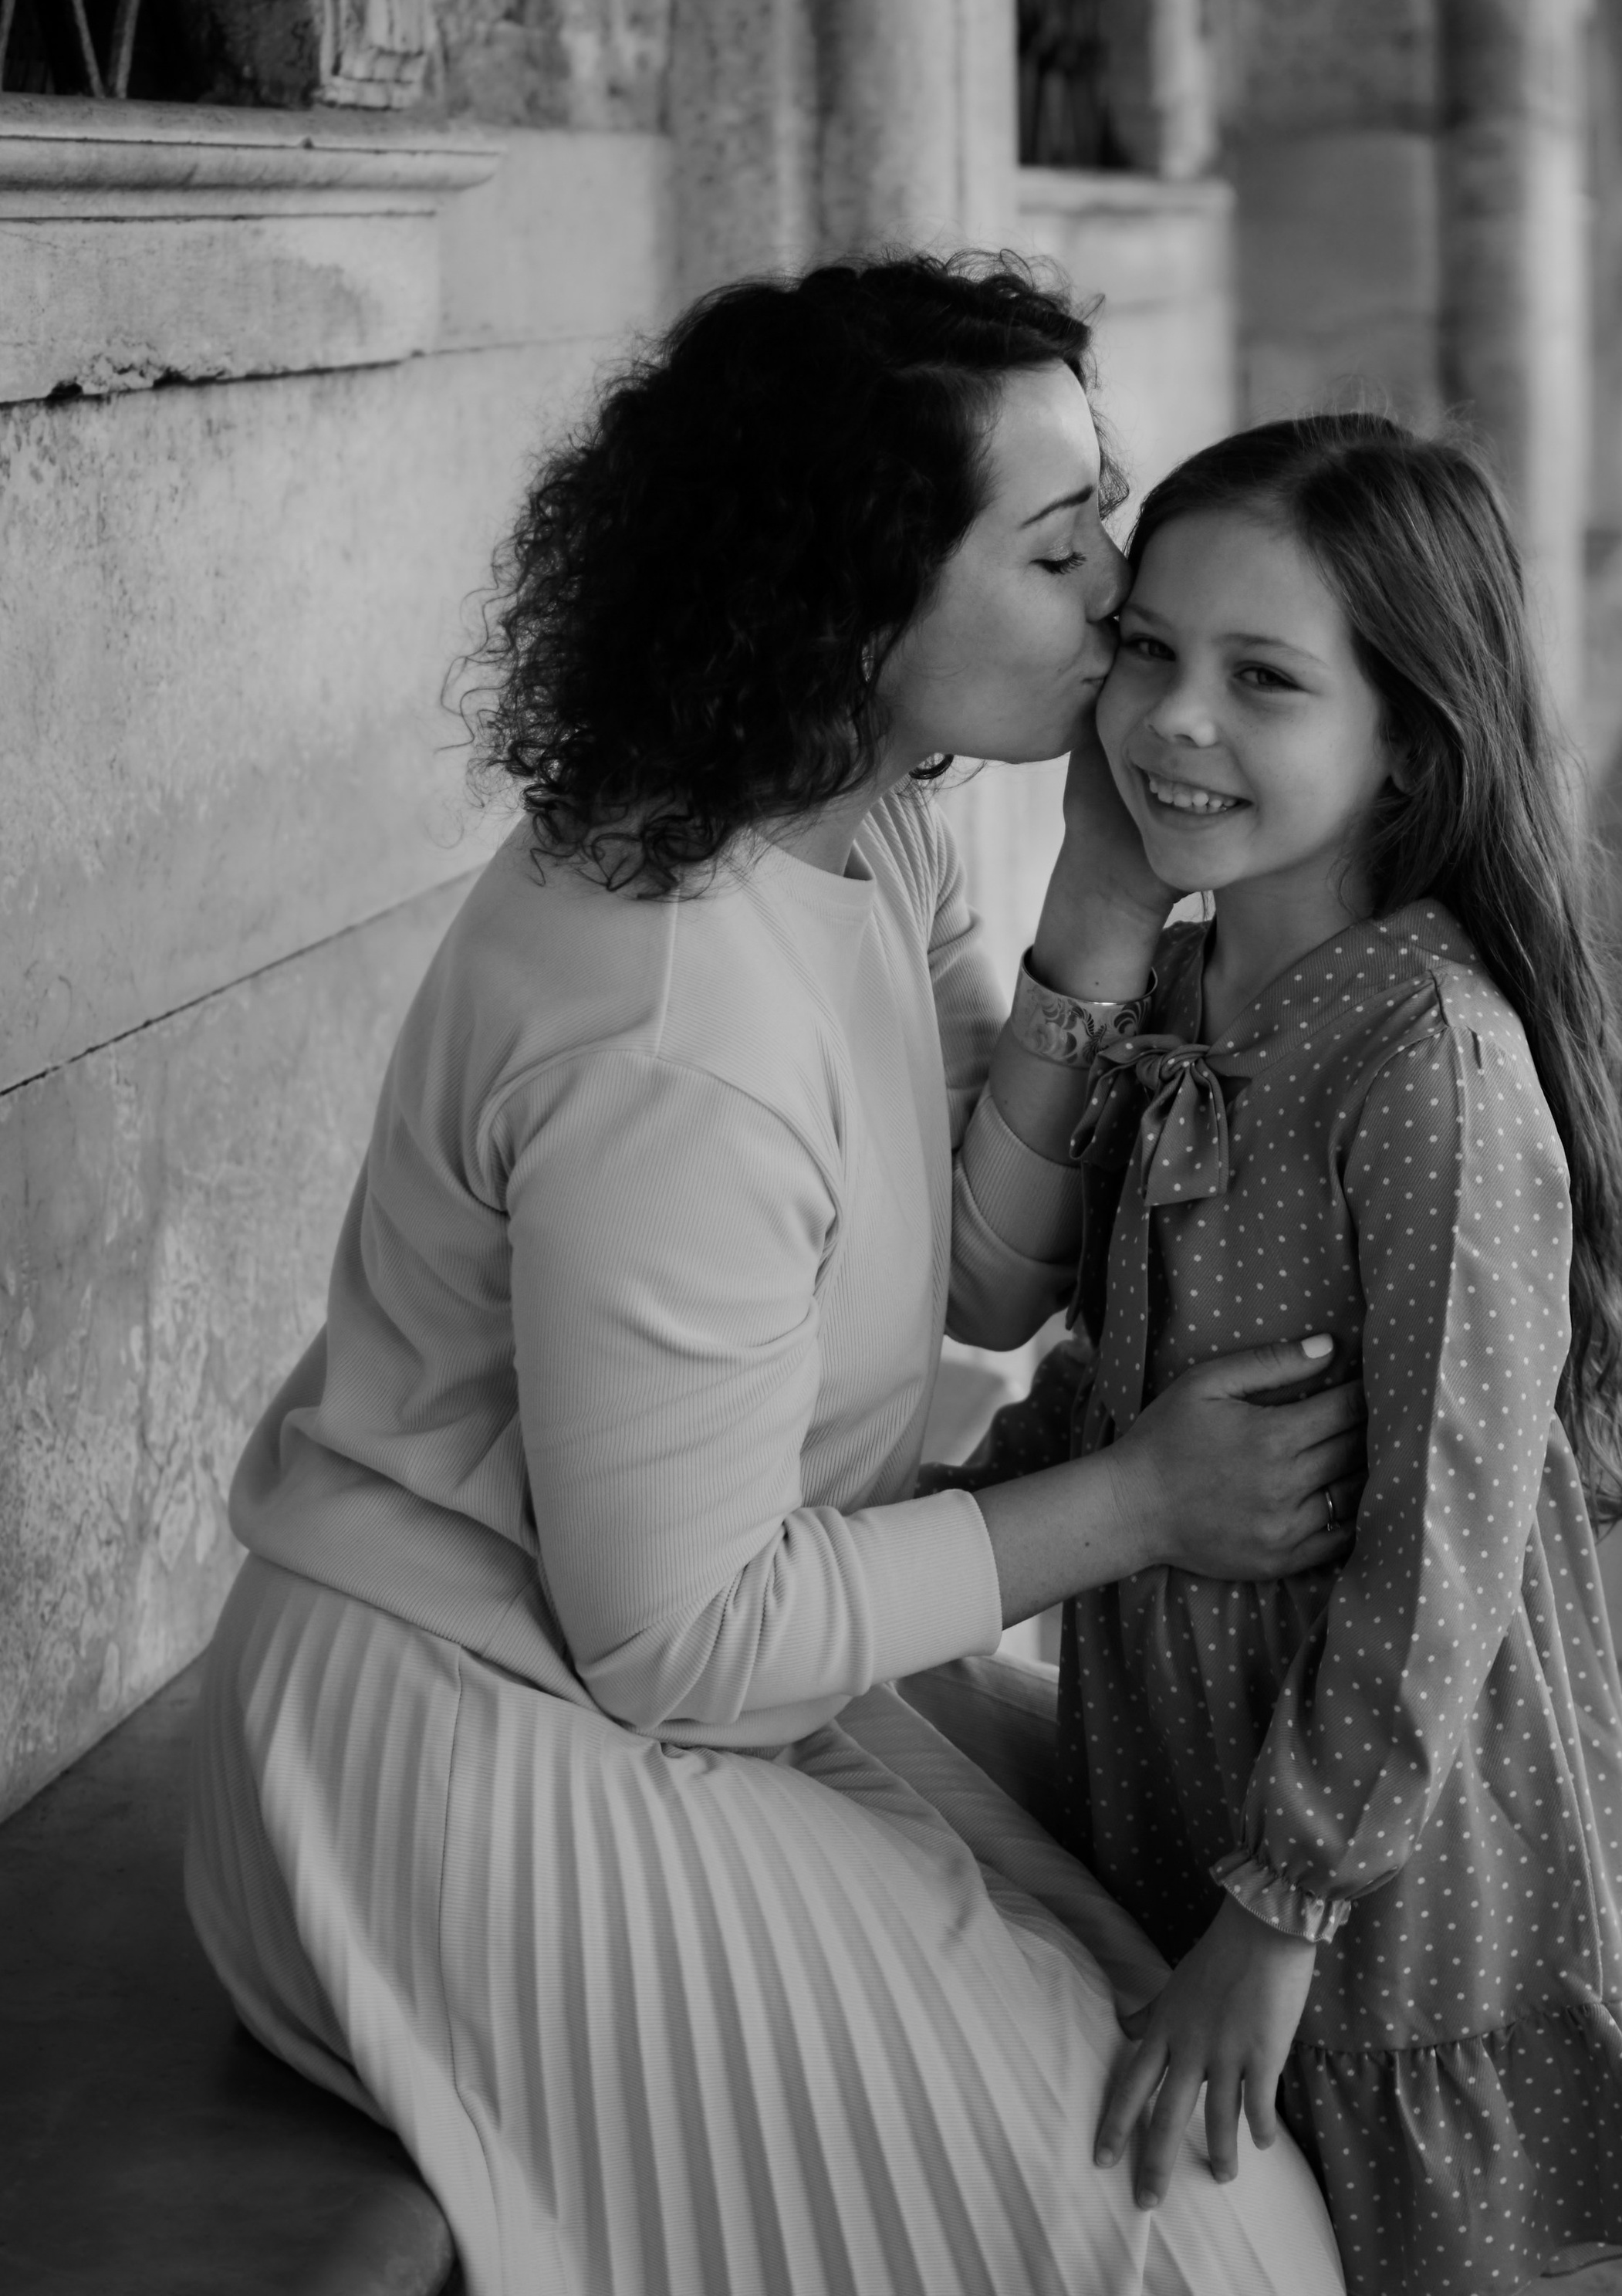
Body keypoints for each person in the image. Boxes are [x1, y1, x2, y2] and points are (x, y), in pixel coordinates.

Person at [184, 255, 1362, 2296]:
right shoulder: (674, 1026)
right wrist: (1136, 1505)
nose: (1120, 595)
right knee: (1181, 2227)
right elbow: (687, 1638)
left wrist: (1096, 911)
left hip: (636, 1658)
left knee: (1181, 2021)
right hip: (455, 1735)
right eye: (1061, 544)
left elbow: (980, 1276)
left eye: (1111, 517)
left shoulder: (851, 830)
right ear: (857, 584)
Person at [934, 414, 1622, 2296]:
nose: (1173, 721)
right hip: (1179, 1766)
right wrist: (904, 1526)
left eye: (1261, 680)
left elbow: (1442, 1537)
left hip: (1375, 1860)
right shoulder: (1188, 993)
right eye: (1150, 650)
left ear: (1406, 745)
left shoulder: (1421, 1062)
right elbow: (1108, 1362)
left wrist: (1281, 1903)